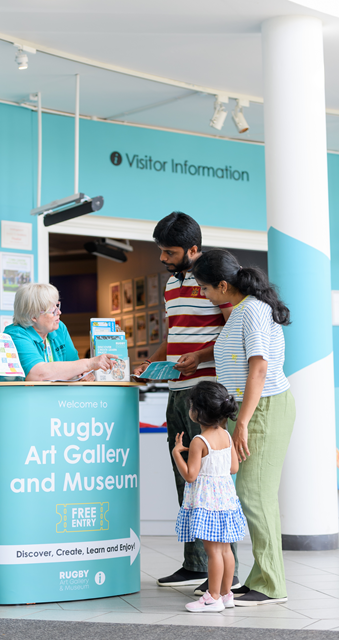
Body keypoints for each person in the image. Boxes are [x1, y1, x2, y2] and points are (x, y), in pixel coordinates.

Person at [133, 212, 241, 590]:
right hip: (176, 390)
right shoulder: (170, 287)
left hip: (207, 390)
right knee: (187, 478)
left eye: (170, 252)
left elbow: (234, 331)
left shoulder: (215, 281)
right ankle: (196, 564)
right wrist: (156, 362)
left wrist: (200, 357)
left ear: (193, 249)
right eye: (160, 251)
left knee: (212, 483)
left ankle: (225, 573)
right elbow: (175, 333)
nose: (163, 258)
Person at [193, 249, 296, 606]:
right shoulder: (242, 311)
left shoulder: (251, 310)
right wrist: (200, 356)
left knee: (254, 495)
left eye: (205, 289)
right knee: (250, 495)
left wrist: (243, 424)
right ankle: (262, 577)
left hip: (264, 408)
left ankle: (270, 584)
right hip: (252, 409)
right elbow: (238, 355)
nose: (204, 296)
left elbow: (259, 369)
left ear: (223, 285)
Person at [173, 382, 246, 613]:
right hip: (226, 501)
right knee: (225, 550)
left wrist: (177, 454)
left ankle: (212, 598)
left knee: (212, 552)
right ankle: (226, 594)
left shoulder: (198, 441)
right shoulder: (225, 434)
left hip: (207, 504)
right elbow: (233, 467)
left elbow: (190, 475)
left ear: (197, 413)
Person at [5, 283, 115, 381]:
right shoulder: (15, 335)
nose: (59, 312)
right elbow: (39, 374)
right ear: (33, 316)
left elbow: (75, 367)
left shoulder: (59, 328)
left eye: (57, 305)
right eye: (53, 310)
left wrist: (82, 375)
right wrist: (89, 364)